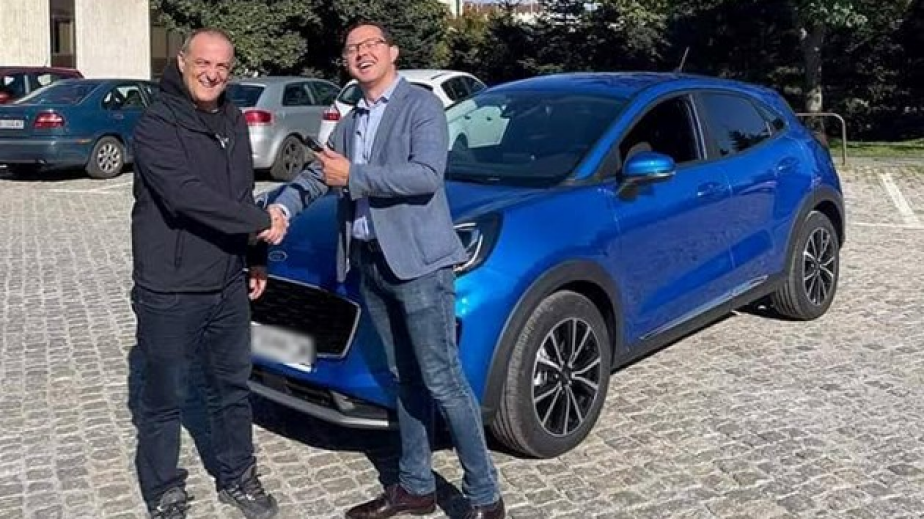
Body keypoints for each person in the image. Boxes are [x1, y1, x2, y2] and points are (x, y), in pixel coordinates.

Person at [263, 21, 505, 519]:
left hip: (419, 267)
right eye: (352, 47)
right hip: (369, 264)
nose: (362, 52)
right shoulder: (351, 121)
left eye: (371, 43)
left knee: (442, 380)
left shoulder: (421, 107)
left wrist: (353, 175)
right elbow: (319, 174)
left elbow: (426, 175)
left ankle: (485, 495)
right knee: (403, 379)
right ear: (346, 61)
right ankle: (416, 487)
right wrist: (283, 207)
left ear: (392, 52)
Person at [130, 27, 286, 519]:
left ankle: (237, 476)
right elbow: (186, 196)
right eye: (203, 63)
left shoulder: (233, 119)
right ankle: (163, 490)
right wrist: (262, 222)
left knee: (232, 390)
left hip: (227, 283)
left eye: (222, 66)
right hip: (170, 289)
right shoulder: (156, 123)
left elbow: (239, 195)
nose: (212, 74)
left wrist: (255, 255)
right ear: (182, 61)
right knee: (165, 398)